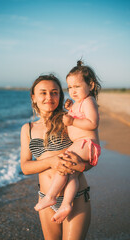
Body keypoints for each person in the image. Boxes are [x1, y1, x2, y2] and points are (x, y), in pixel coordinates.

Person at [20, 74, 93, 240]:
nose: (49, 97)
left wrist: (81, 167)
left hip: (77, 197)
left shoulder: (69, 121)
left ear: (60, 95)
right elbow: (25, 167)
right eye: (43, 92)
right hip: (46, 199)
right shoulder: (28, 129)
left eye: (54, 92)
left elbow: (90, 155)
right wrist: (51, 162)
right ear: (33, 97)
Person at [34, 61, 101, 224]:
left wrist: (71, 122)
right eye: (70, 88)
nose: (73, 91)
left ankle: (51, 195)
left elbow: (93, 123)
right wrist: (71, 107)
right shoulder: (80, 103)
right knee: (71, 175)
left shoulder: (89, 101)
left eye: (77, 87)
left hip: (86, 143)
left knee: (64, 161)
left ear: (90, 85)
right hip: (83, 145)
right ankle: (66, 204)